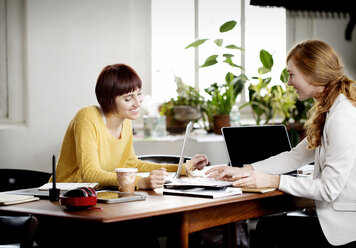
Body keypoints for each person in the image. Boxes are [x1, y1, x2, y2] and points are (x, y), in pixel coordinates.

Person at [202, 40, 356, 247]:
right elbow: (296, 156)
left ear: (312, 73)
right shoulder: (330, 111)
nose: (289, 83)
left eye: (292, 75)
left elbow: (329, 189)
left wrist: (274, 181)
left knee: (268, 228)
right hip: (336, 220)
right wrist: (244, 170)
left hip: (344, 229)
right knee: (269, 226)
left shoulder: (341, 117)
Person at [52, 63, 208, 190]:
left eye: (139, 94)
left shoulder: (125, 121)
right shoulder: (87, 116)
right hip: (67, 194)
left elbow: (132, 164)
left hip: (100, 194)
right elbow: (90, 174)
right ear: (108, 101)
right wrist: (138, 182)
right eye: (128, 99)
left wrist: (182, 169)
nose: (138, 102)